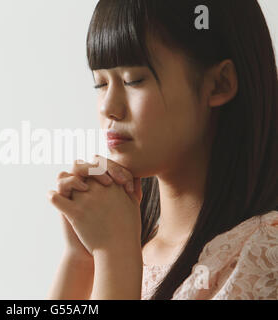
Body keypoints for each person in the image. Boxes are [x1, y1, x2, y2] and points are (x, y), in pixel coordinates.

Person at [47, 0, 278, 300]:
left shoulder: (262, 257)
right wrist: (81, 261)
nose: (108, 108)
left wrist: (115, 256)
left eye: (134, 80)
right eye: (100, 84)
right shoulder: (127, 245)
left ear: (219, 84)